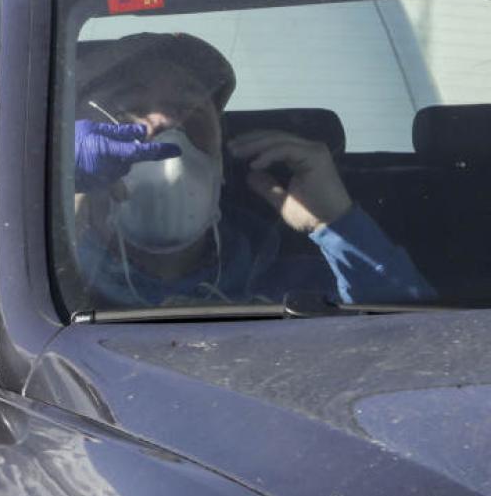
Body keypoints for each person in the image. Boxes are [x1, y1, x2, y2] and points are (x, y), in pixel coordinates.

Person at [67, 32, 432, 307]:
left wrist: (336, 223)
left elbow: (421, 348)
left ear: (222, 160)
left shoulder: (299, 287)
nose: (166, 121)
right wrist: (60, 200)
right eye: (128, 106)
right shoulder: (46, 290)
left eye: (189, 105)